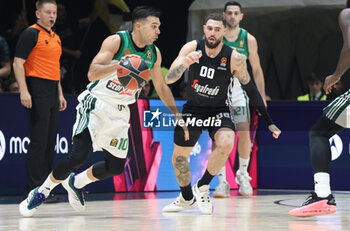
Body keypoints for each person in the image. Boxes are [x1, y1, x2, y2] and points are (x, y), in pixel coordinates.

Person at [19, 5, 187, 217]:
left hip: (120, 111)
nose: (158, 31)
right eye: (154, 26)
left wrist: (177, 116)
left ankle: (76, 182)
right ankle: (41, 191)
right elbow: (92, 73)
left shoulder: (154, 53)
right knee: (78, 156)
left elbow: (162, 87)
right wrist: (120, 65)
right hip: (96, 103)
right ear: (138, 26)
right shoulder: (116, 41)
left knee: (115, 168)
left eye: (159, 27)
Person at [162, 13, 281, 215]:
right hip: (192, 109)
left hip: (218, 109)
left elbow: (250, 88)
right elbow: (169, 79)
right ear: (204, 29)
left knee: (227, 141)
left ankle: (203, 185)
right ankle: (186, 198)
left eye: (217, 29)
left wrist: (268, 121)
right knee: (179, 158)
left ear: (224, 32)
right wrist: (185, 64)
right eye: (210, 28)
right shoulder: (191, 48)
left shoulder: (234, 57)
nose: (213, 33)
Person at [289, 2, 350, 217]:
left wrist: (336, 76)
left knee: (319, 132)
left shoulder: (347, 13)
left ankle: (323, 195)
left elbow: (349, 47)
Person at [12, 0, 67, 201]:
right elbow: (18, 63)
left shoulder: (56, 37)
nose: (52, 16)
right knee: (38, 141)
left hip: (52, 89)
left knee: (49, 141)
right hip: (36, 88)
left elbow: (55, 67)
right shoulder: (30, 33)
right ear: (38, 14)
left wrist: (60, 94)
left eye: (54, 12)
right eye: (48, 12)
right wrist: (24, 91)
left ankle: (44, 190)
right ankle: (32, 190)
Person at [213, 1, 267, 198]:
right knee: (218, 136)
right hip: (217, 91)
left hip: (238, 91)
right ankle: (221, 182)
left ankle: (243, 174)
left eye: (236, 13)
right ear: (224, 15)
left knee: (243, 133)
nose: (233, 16)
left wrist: (261, 97)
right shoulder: (215, 34)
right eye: (229, 13)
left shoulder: (248, 39)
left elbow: (257, 69)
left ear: (241, 16)